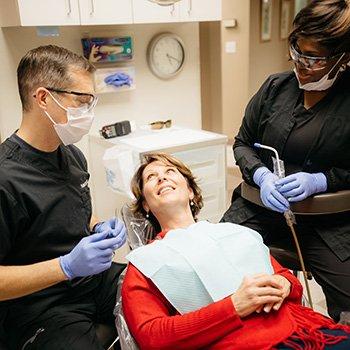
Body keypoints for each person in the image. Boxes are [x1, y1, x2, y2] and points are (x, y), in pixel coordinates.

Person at [121, 152, 350, 349]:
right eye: (151, 177)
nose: (162, 177)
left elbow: (290, 281)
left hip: (303, 330)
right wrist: (233, 307)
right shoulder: (146, 263)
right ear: (145, 205)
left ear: (190, 191)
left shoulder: (236, 233)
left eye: (170, 171)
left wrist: (285, 284)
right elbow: (152, 336)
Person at [221, 0, 350, 321]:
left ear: (343, 58)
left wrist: (321, 180)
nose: (301, 64)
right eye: (297, 51)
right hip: (257, 211)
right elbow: (242, 144)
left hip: (328, 225)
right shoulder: (275, 88)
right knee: (216, 262)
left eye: (314, 58)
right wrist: (262, 175)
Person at [0, 45, 126, 350]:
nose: (89, 113)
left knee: (162, 285)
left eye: (92, 102)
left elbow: (70, 215)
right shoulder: (6, 179)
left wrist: (98, 227)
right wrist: (66, 266)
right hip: (39, 304)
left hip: (91, 281)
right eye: (81, 102)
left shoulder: (72, 155)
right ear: (43, 97)